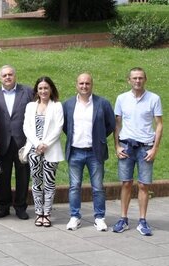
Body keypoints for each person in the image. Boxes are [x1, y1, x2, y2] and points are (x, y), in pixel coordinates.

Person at [113, 67, 163, 236]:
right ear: (129, 80)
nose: (137, 81)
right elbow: (117, 124)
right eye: (134, 78)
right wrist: (117, 146)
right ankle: (124, 219)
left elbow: (159, 125)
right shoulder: (121, 99)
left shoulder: (154, 98)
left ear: (145, 80)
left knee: (143, 184)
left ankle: (142, 221)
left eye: (140, 78)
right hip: (126, 146)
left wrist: (155, 148)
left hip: (145, 147)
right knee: (126, 183)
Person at [63, 73, 115, 231]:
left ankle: (99, 218)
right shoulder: (68, 104)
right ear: (76, 85)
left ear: (92, 85)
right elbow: (66, 126)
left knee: (98, 187)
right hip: (75, 152)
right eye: (81, 83)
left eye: (87, 83)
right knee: (74, 186)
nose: (84, 86)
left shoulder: (102, 103)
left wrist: (99, 137)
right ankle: (74, 216)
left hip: (95, 152)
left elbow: (110, 124)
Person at [23, 77, 64, 227]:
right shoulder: (30, 106)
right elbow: (26, 127)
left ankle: (47, 214)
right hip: (34, 150)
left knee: (49, 183)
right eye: (40, 88)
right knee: (36, 182)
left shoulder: (57, 106)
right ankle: (38, 212)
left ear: (51, 89)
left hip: (51, 150)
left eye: (46, 88)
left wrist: (45, 144)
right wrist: (37, 143)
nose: (43, 91)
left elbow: (58, 128)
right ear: (36, 90)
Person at [0, 65, 33, 220]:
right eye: (4, 75)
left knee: (23, 176)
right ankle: (3, 207)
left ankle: (20, 207)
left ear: (15, 76)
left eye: (10, 74)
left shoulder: (28, 92)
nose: (8, 77)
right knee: (3, 176)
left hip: (22, 141)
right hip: (3, 141)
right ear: (0, 78)